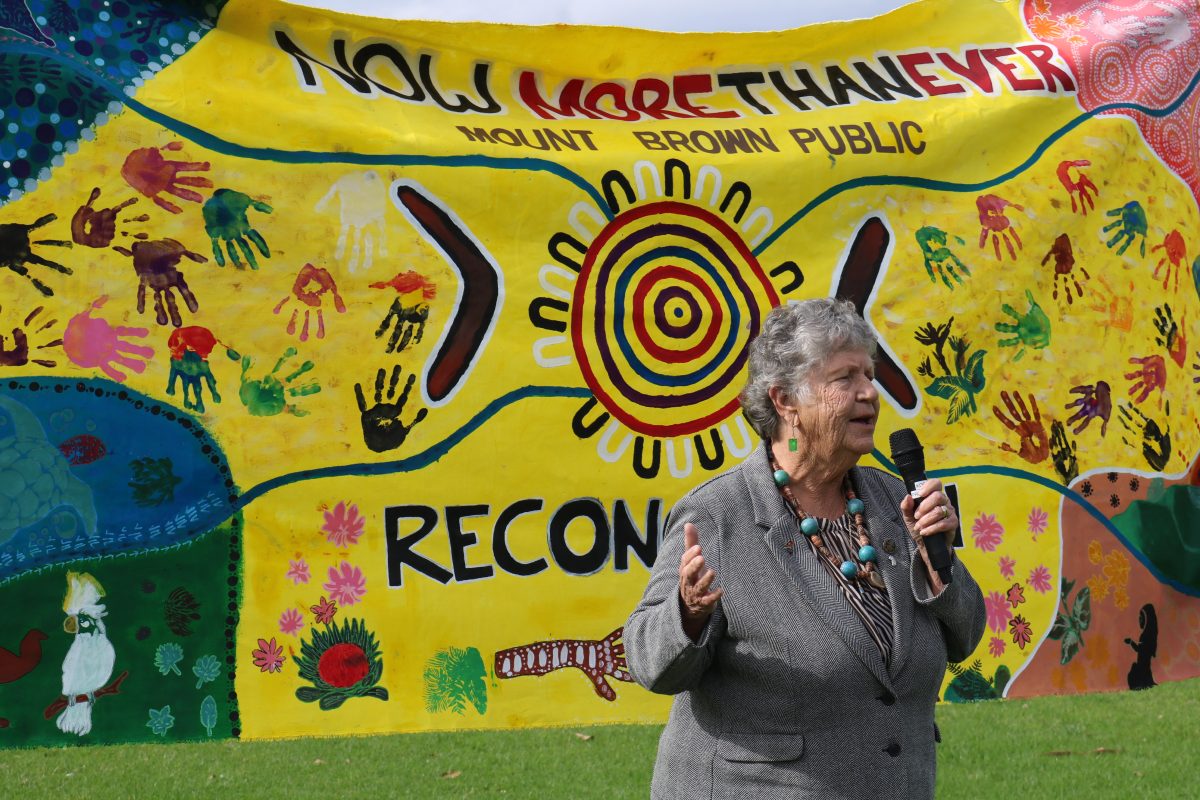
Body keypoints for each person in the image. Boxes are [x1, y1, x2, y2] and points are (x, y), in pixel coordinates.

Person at [625, 298, 985, 800]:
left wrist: (937, 565)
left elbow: (965, 637)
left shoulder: (893, 503)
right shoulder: (717, 515)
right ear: (785, 401)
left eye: (869, 374)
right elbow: (650, 662)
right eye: (845, 379)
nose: (870, 393)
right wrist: (687, 613)